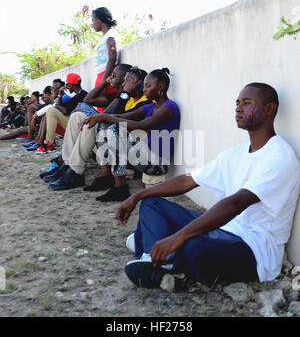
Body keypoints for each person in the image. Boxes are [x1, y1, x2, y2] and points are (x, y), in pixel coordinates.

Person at [116, 82, 300, 290]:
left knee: (191, 244)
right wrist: (137, 196)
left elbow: (236, 203)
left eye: (247, 103)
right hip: (224, 231)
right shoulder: (236, 153)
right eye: (237, 103)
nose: (238, 108)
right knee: (152, 204)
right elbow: (188, 180)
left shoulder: (279, 156)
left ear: (269, 109)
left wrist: (179, 235)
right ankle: (155, 259)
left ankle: (154, 249)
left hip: (255, 250)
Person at [47, 68, 180, 203]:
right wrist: (98, 116)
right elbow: (122, 116)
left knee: (115, 129)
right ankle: (104, 181)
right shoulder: (150, 108)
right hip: (141, 159)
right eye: (144, 85)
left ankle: (120, 187)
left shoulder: (169, 108)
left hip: (157, 165)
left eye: (148, 86)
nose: (144, 89)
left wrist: (105, 117)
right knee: (102, 124)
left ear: (161, 86)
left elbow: (142, 125)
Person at [44, 66, 151, 191]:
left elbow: (117, 117)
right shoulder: (125, 97)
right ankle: (69, 165)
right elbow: (90, 101)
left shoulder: (145, 102)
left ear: (138, 84)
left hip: (130, 151)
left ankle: (76, 171)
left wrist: (124, 94)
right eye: (124, 80)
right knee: (79, 115)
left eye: (127, 80)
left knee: (95, 122)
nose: (123, 83)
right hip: (112, 143)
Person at [38, 73, 87, 153]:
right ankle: (49, 143)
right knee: (51, 111)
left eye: (67, 84)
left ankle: (50, 144)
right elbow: (61, 107)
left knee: (51, 110)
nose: (65, 86)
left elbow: (65, 111)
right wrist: (60, 95)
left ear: (70, 85)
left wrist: (52, 103)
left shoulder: (82, 95)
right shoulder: (77, 95)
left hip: (78, 126)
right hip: (72, 122)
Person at [92, 6, 121, 112]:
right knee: (100, 109)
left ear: (99, 19)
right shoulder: (104, 37)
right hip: (101, 75)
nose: (92, 23)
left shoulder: (111, 35)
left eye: (93, 20)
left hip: (107, 74)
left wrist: (105, 80)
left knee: (106, 109)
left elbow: (112, 57)